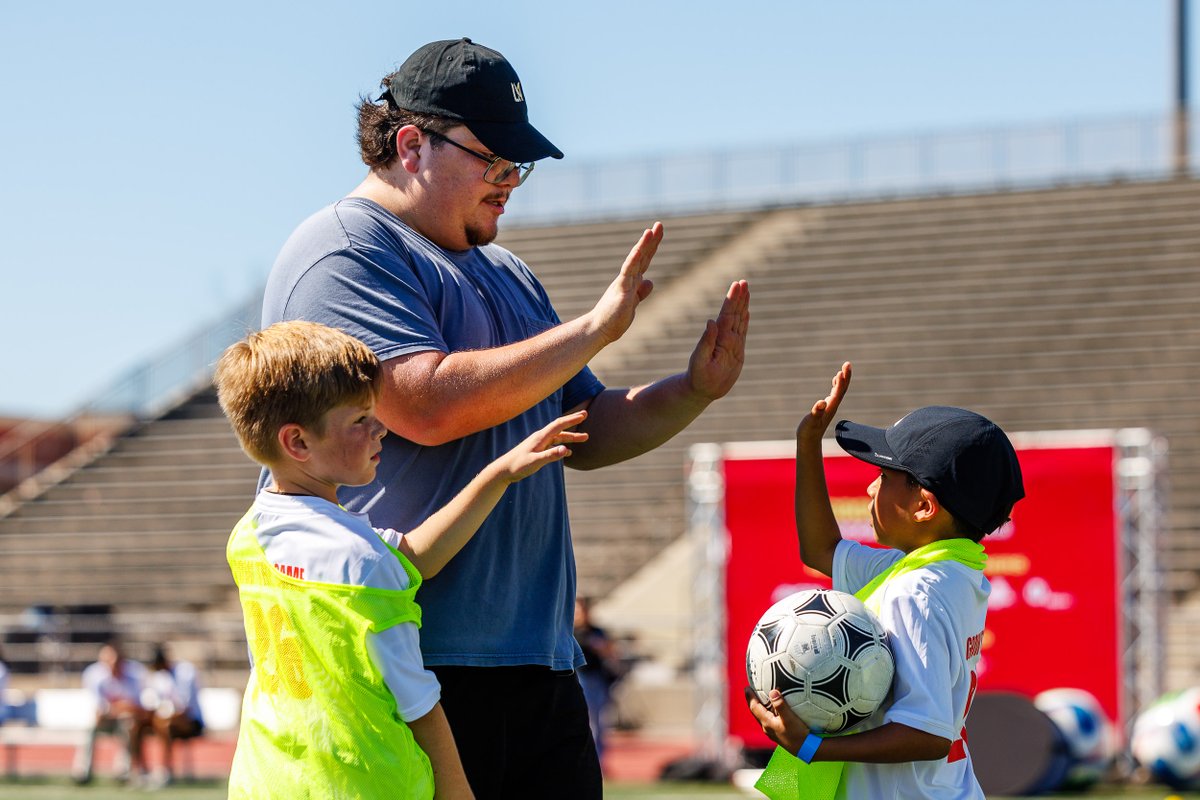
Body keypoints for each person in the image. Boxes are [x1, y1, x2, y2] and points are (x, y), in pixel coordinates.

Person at [260, 37, 749, 798]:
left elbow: (581, 429)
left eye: (519, 166)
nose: (511, 183)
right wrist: (591, 329)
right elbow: (422, 404)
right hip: (412, 657)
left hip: (538, 660)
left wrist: (690, 390)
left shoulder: (507, 269)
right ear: (411, 143)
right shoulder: (344, 249)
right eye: (495, 161)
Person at [215, 319, 588, 799]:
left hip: (270, 778)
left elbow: (410, 556)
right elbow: (417, 700)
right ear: (299, 442)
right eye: (360, 420)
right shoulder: (361, 564)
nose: (381, 429)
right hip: (369, 781)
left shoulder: (247, 537)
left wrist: (498, 474)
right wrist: (457, 791)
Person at [745, 362, 1025, 799]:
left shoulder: (917, 591)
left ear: (924, 506)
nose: (871, 490)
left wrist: (812, 748)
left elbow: (928, 735)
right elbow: (820, 551)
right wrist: (807, 444)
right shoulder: (941, 570)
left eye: (883, 476)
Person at [72, 640, 152, 785]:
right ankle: (83, 772)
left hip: (125, 719)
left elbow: (137, 706)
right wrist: (118, 708)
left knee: (129, 724)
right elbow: (98, 709)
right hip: (103, 719)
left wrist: (117, 709)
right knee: (89, 728)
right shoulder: (94, 674)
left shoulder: (135, 673)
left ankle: (123, 771)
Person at [144, 644, 204, 786]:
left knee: (164, 724)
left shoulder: (185, 672)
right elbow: (154, 702)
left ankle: (164, 770)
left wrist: (164, 715)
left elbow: (185, 708)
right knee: (139, 725)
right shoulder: (160, 676)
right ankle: (139, 771)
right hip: (167, 720)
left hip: (191, 721)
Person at [573, 597, 624, 763]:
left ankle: (598, 761)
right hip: (580, 678)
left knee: (600, 722)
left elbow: (611, 652)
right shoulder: (569, 632)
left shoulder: (596, 632)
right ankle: (583, 760)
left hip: (596, 678)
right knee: (585, 722)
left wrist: (602, 648)